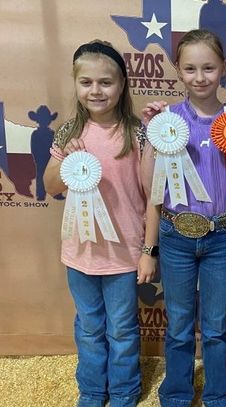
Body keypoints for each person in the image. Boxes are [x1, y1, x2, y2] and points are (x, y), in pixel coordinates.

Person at [140, 29, 226, 407]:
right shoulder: (167, 119)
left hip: (221, 234)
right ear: (178, 70)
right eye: (190, 68)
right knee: (180, 324)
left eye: (208, 67)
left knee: (217, 325)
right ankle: (176, 393)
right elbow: (148, 185)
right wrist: (152, 140)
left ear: (223, 68)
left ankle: (219, 393)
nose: (200, 77)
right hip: (176, 235)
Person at [43, 40, 155, 407]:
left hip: (123, 254)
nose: (96, 90)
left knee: (122, 328)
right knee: (90, 328)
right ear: (75, 85)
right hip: (80, 254)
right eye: (86, 82)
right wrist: (65, 162)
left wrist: (146, 251)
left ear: (122, 85)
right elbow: (50, 185)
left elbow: (151, 195)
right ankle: (92, 391)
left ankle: (123, 391)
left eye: (105, 82)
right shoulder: (67, 133)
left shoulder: (137, 135)